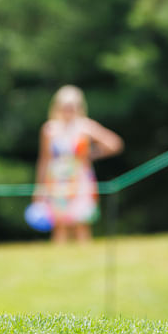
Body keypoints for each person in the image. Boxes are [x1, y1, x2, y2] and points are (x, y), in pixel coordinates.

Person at [33, 85, 124, 243]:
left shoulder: (85, 127)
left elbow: (114, 144)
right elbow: (44, 160)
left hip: (80, 179)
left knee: (82, 222)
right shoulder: (50, 129)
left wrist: (91, 154)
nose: (69, 110)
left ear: (79, 107)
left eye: (72, 106)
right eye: (65, 106)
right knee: (59, 224)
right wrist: (39, 187)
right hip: (57, 181)